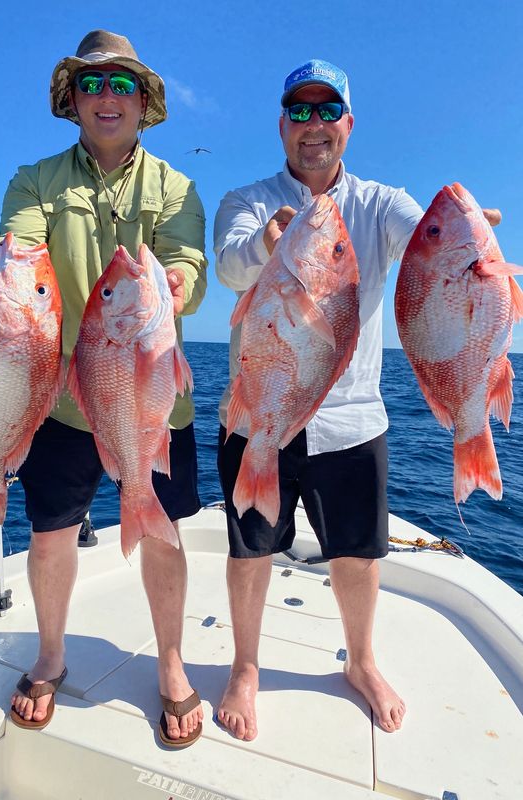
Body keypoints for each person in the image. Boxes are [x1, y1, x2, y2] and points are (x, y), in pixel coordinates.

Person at [214, 59, 500, 741]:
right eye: (300, 111)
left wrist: (464, 237)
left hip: (352, 418)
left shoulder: (379, 203)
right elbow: (228, 267)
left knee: (359, 551)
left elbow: (424, 241)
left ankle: (362, 661)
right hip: (262, 409)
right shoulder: (249, 201)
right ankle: (246, 667)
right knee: (250, 548)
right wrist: (267, 243)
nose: (314, 125)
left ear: (348, 122)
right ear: (282, 124)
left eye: (327, 110)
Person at [0, 30, 207, 747]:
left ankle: (172, 664)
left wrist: (178, 282)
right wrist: (5, 265)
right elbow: (17, 247)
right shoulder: (36, 180)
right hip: (61, 397)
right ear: (72, 100)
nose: (106, 98)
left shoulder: (175, 186)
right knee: (51, 536)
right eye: (92, 85)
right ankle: (51, 655)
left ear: (144, 101)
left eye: (122, 85)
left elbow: (188, 261)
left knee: (164, 536)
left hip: (150, 397)